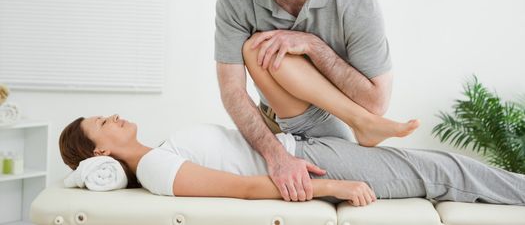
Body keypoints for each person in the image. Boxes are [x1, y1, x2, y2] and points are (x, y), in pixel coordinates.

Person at [60, 50, 525, 206]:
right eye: (103, 123)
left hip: (297, 138)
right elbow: (243, 189)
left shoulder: (160, 151)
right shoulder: (158, 170)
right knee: (447, 172)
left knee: (264, 53)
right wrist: (334, 187)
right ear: (99, 152)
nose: (113, 116)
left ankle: (364, 123)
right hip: (314, 161)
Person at [216, 0, 399, 202]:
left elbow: (376, 103)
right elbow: (232, 90)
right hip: (270, 123)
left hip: (334, 123)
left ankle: (360, 126)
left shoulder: (356, 1)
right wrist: (277, 157)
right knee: (254, 48)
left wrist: (314, 47)